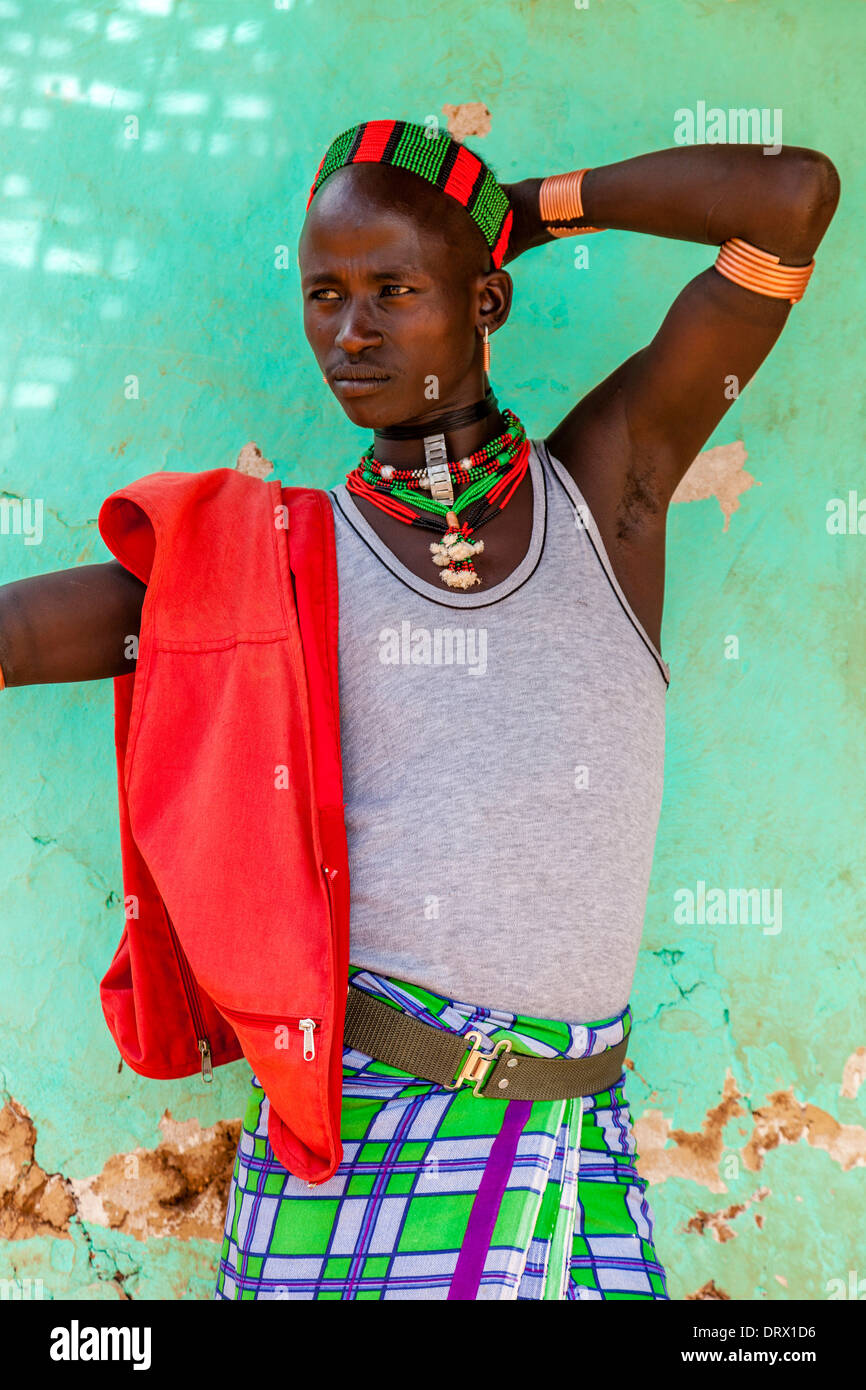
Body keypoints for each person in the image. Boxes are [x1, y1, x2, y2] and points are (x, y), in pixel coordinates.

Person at [0, 118, 839, 1301]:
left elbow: (788, 197)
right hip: (360, 1150)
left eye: (397, 287)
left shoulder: (607, 492)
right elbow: (19, 637)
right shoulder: (280, 567)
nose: (351, 331)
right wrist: (457, 242)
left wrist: (515, 209)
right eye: (324, 294)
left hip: (576, 1151)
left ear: (484, 300)